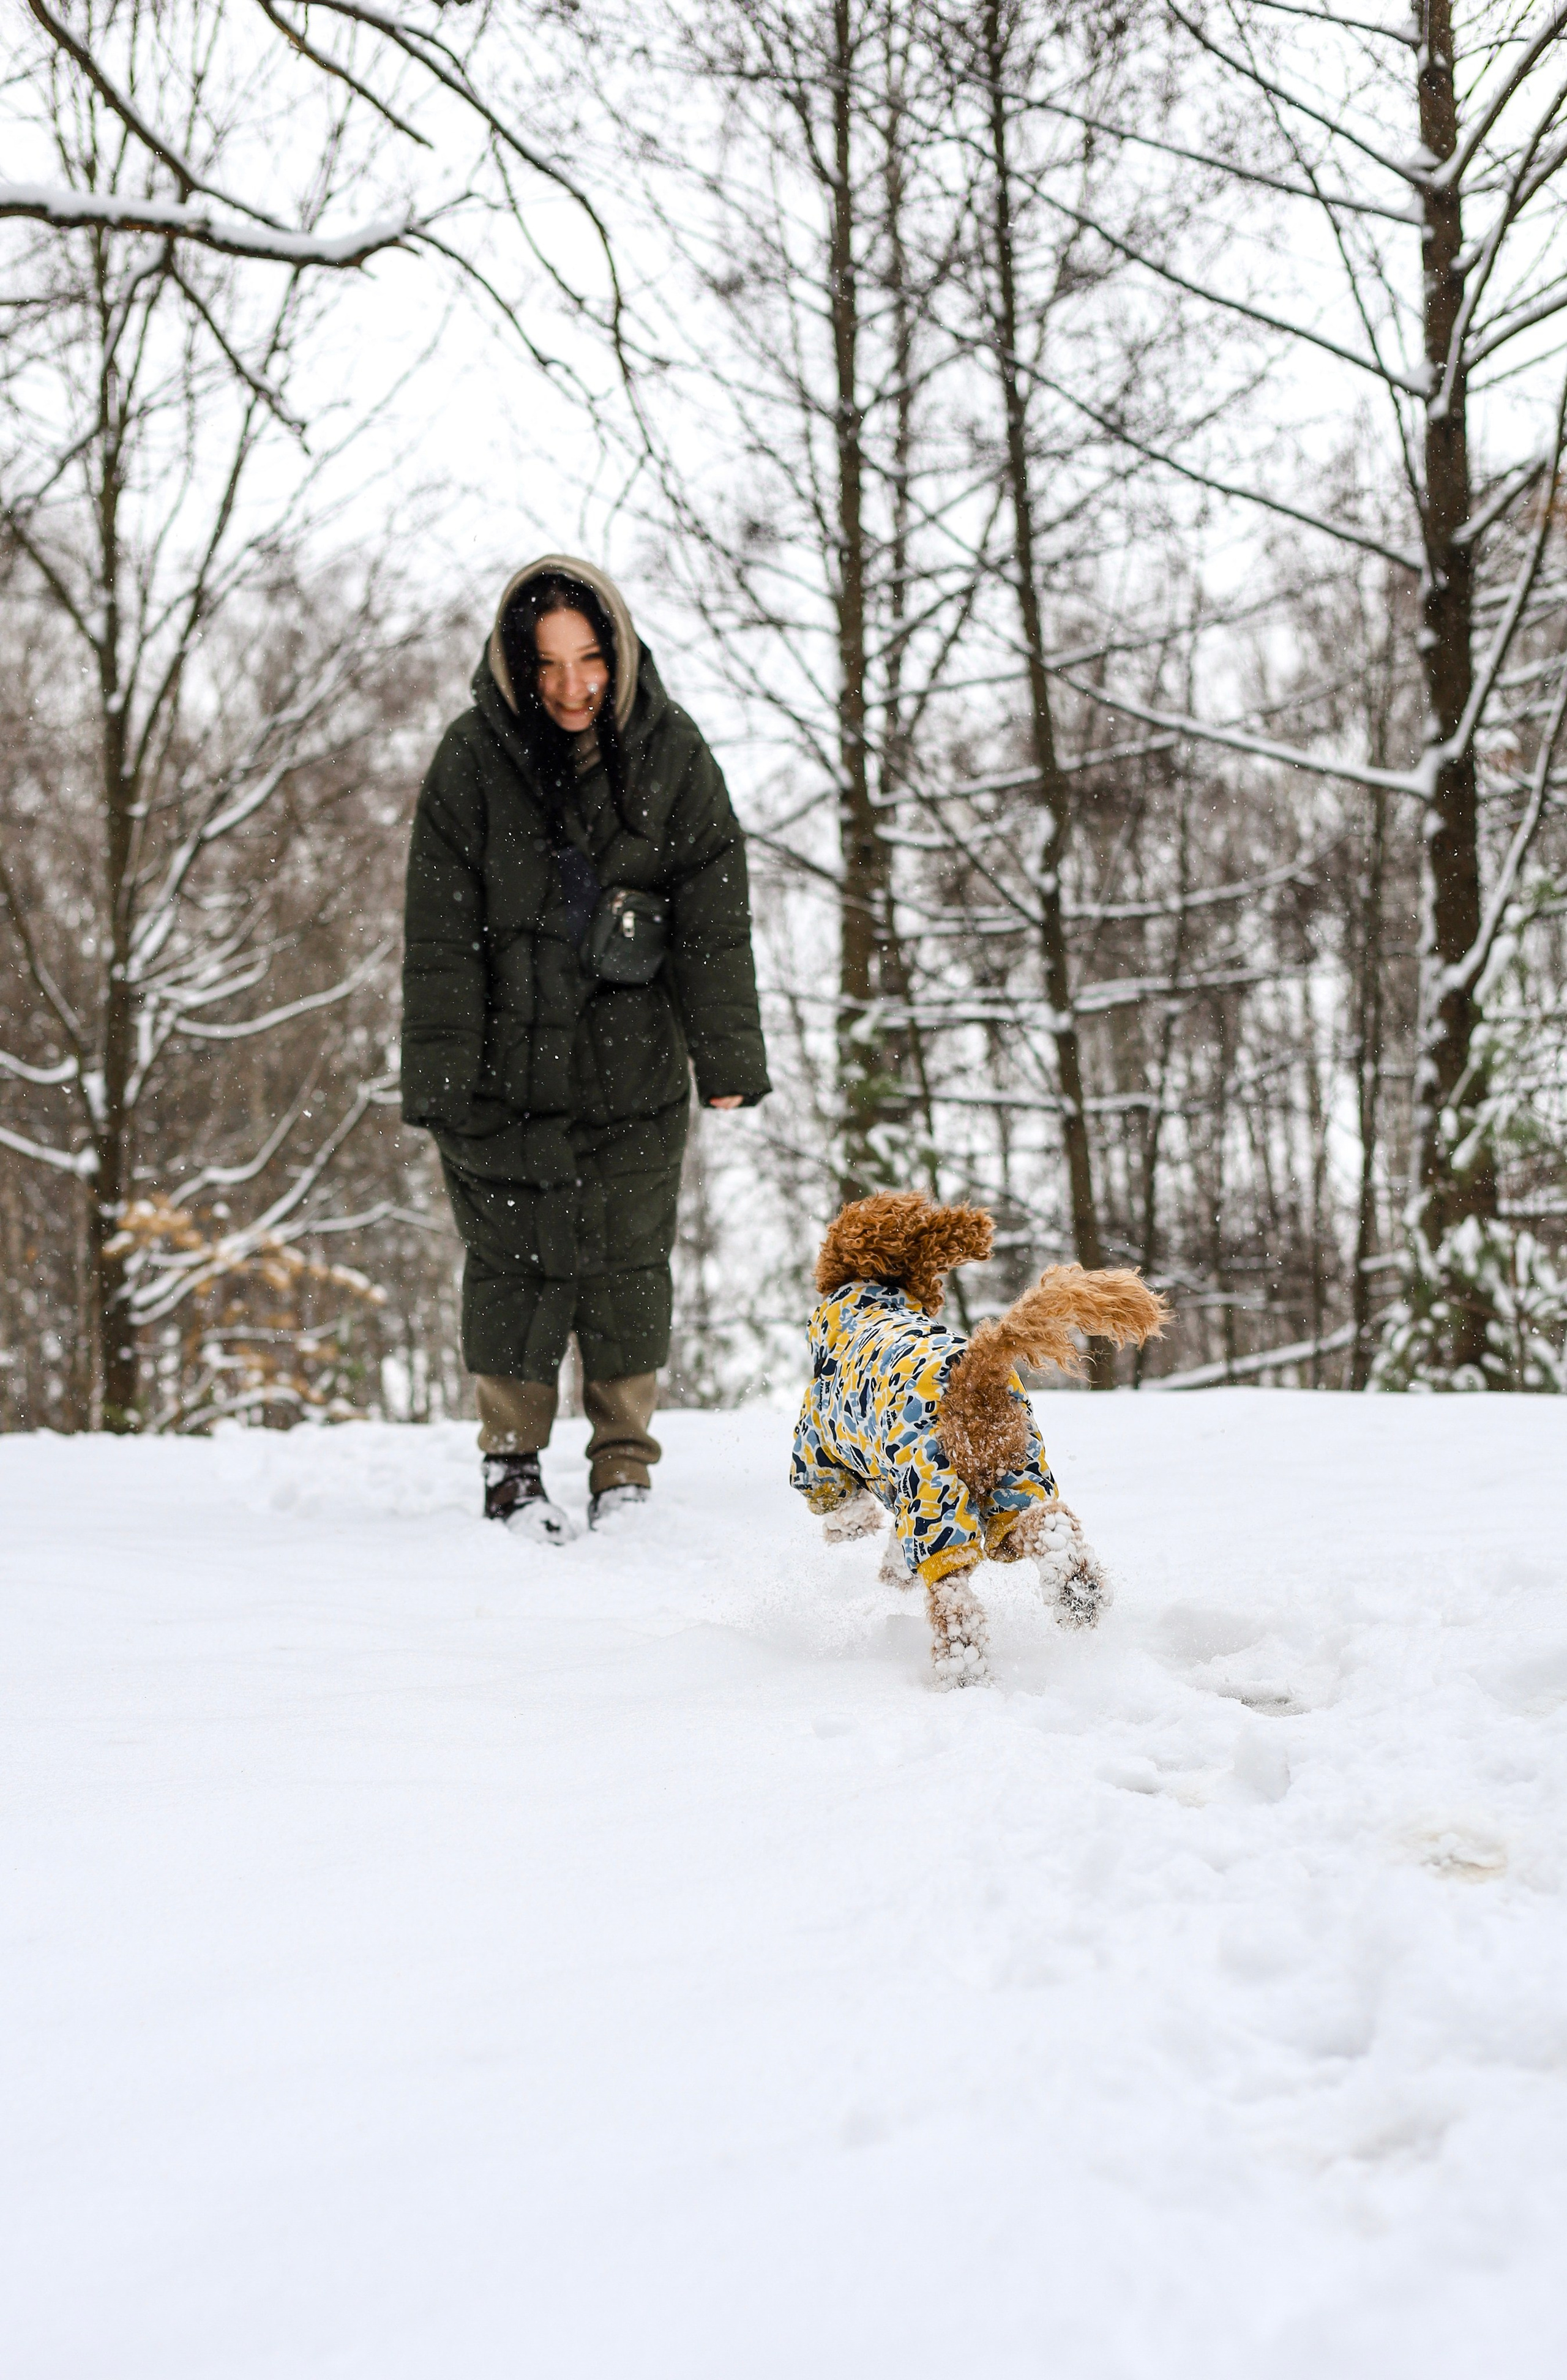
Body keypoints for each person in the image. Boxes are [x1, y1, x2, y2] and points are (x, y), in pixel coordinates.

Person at [401, 555, 769, 1539]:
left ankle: (624, 1471)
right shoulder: (470, 762)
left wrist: (728, 1060)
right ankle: (513, 1467)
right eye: (550, 665)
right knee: (512, 1263)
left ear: (620, 651)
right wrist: (437, 1075)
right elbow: (438, 932)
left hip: (633, 1068)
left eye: (591, 658)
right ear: (517, 666)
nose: (572, 686)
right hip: (498, 1076)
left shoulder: (674, 755)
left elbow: (712, 920)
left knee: (626, 1264)